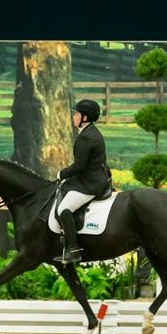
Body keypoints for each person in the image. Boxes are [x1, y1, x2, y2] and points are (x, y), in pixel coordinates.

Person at [53, 99, 111, 264]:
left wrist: (61, 174)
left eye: (77, 114)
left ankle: (74, 250)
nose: (74, 116)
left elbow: (79, 166)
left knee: (64, 209)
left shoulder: (86, 138)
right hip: (93, 177)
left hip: (91, 183)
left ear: (84, 118)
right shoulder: (91, 131)